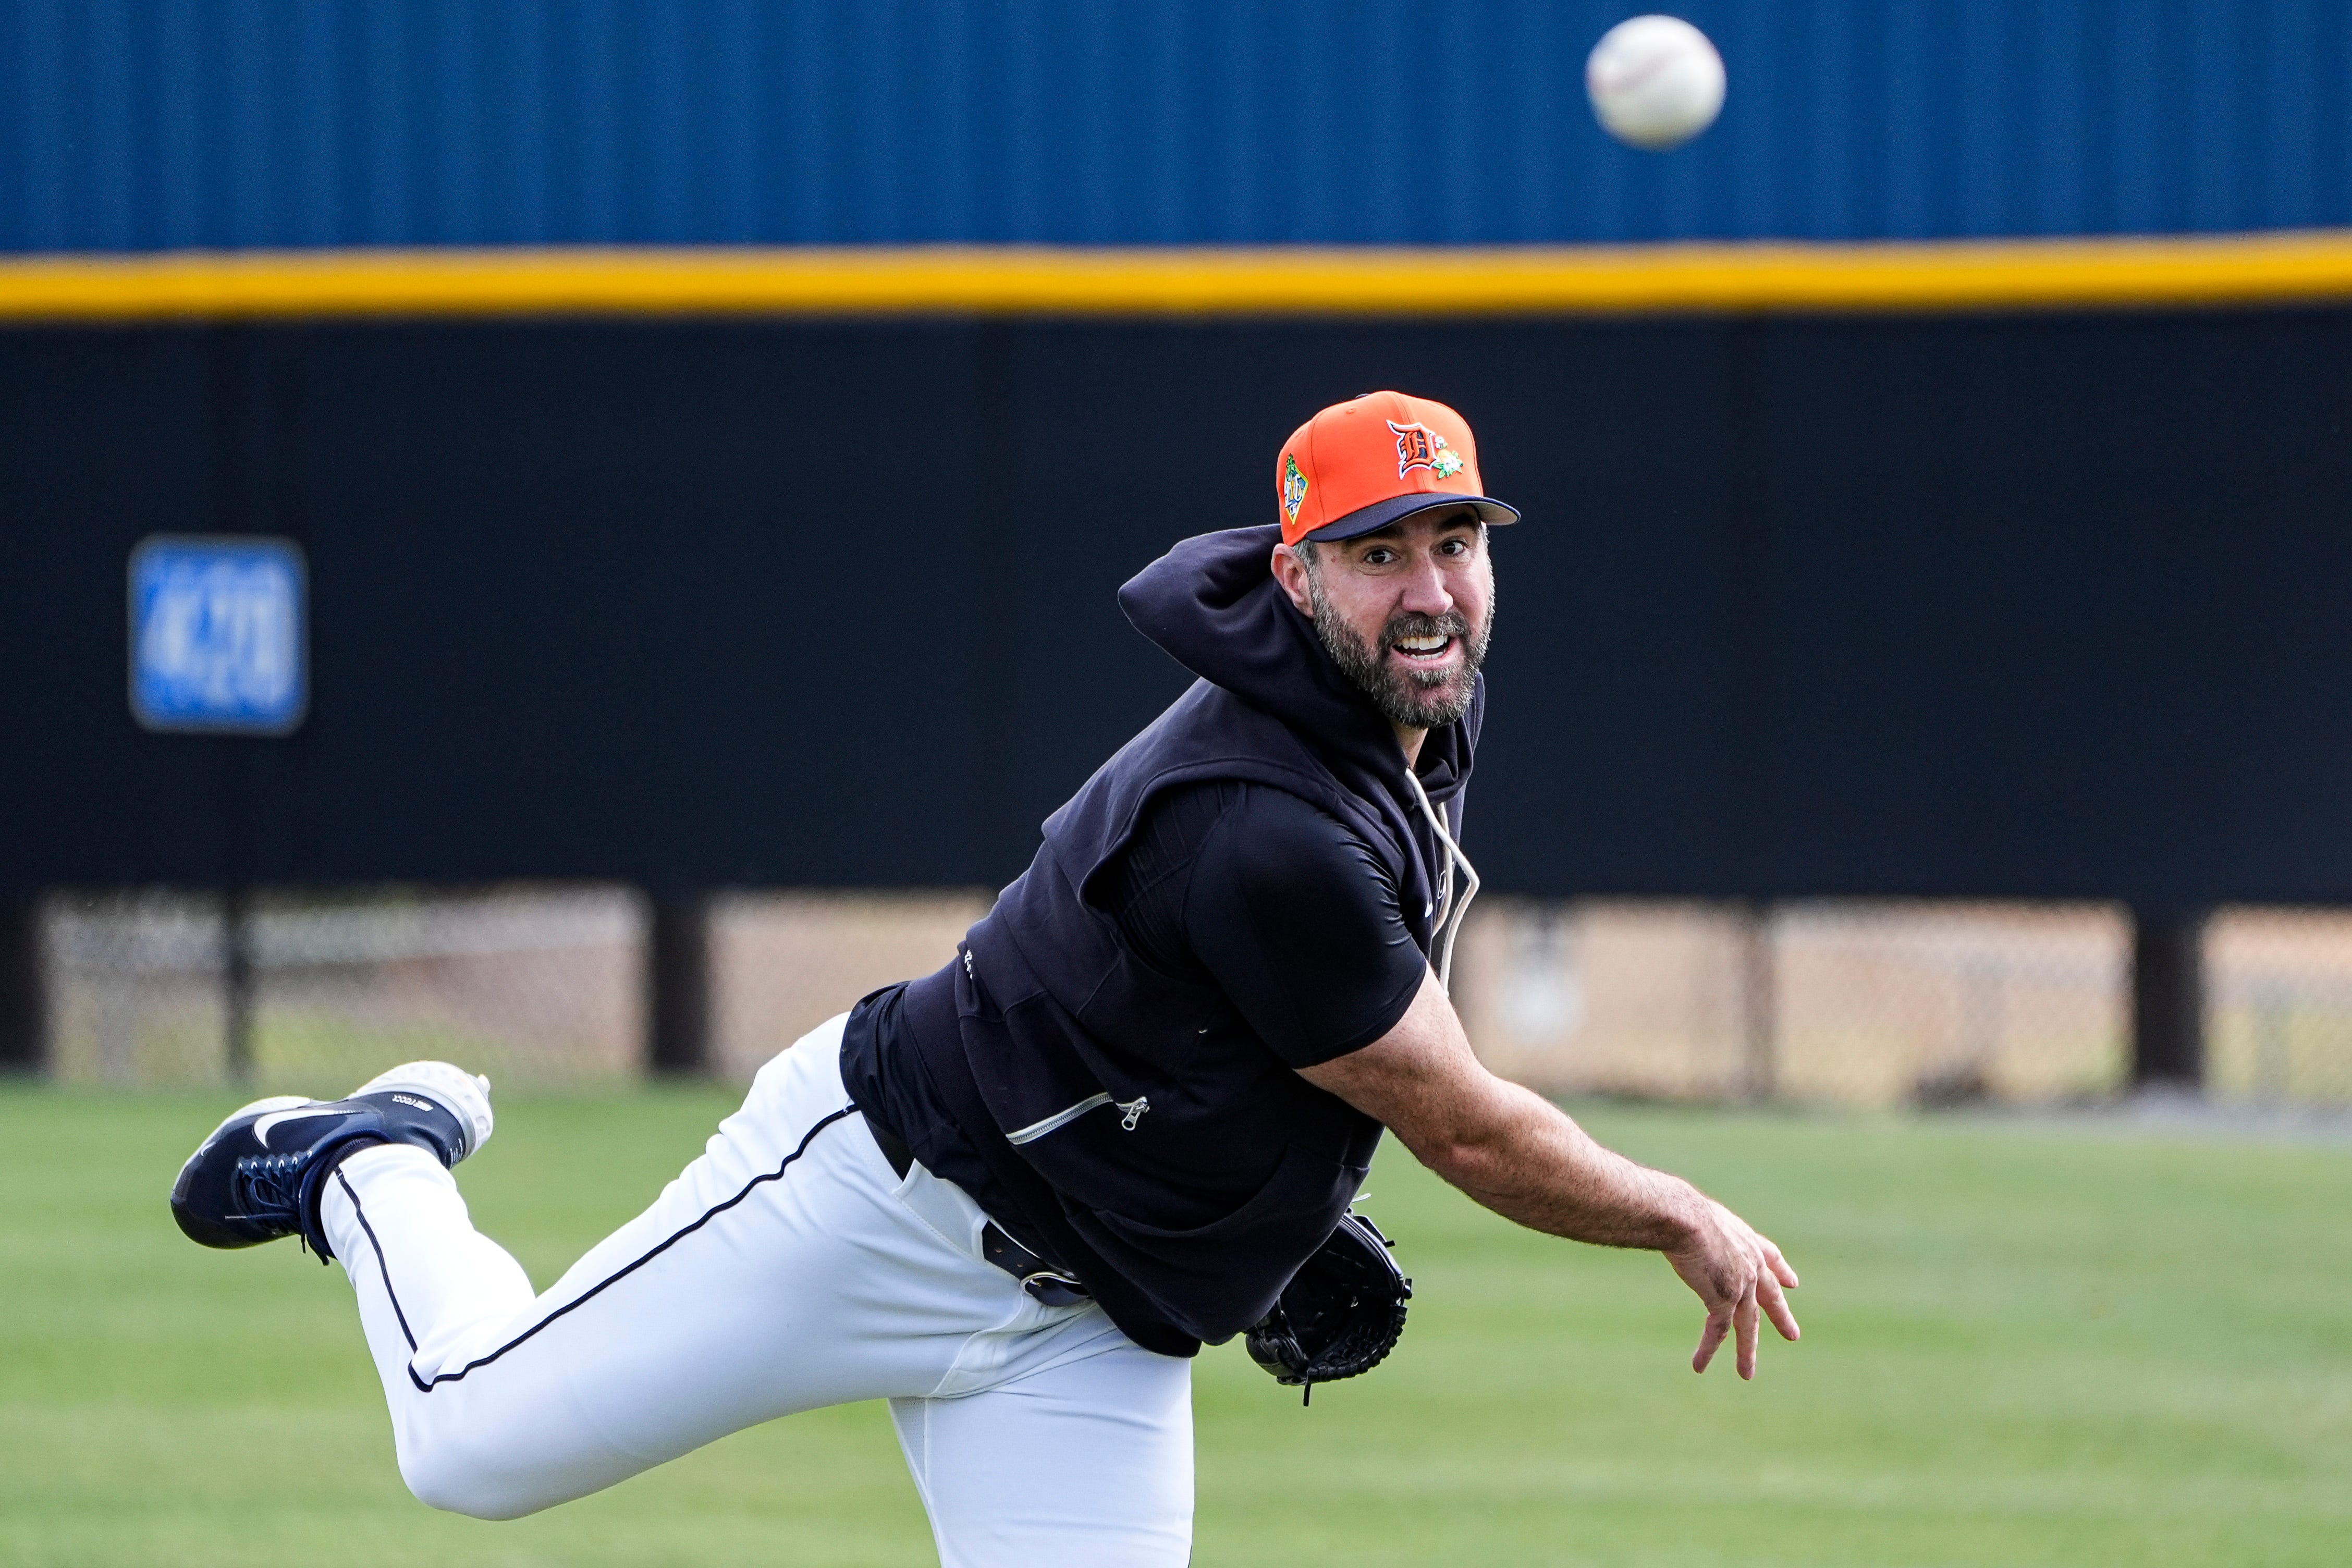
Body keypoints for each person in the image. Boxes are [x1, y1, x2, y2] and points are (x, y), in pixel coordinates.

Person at [169, 390, 1798, 1567]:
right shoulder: (1258, 825)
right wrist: (1676, 1209)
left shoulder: (1418, 697)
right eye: (1382, 553)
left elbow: (1293, 1037)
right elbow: (1461, 1122)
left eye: (1456, 540)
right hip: (880, 1198)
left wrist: (1246, 1203)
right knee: (470, 1442)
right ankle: (368, 1159)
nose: (1432, 589)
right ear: (1296, 576)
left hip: (1086, 1324)